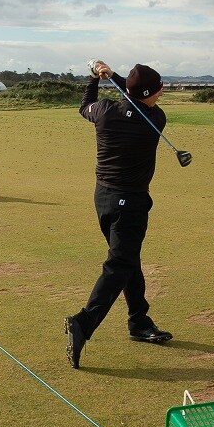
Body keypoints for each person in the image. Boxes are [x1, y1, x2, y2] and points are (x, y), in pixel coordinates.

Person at [64, 60, 173, 369]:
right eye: (159, 89)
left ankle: (139, 321)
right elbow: (137, 96)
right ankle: (84, 322)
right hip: (131, 203)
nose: (161, 92)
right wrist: (116, 77)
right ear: (152, 93)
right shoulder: (155, 119)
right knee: (120, 264)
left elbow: (85, 105)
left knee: (127, 258)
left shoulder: (103, 111)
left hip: (103, 198)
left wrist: (96, 78)